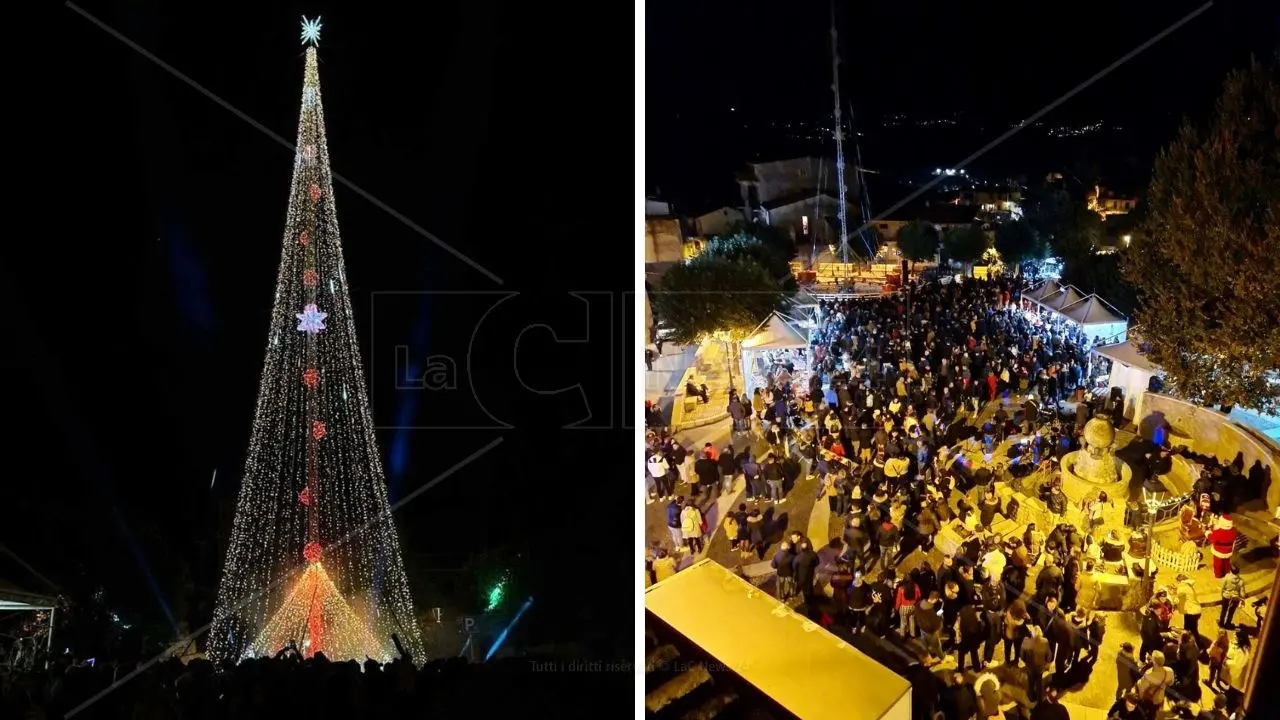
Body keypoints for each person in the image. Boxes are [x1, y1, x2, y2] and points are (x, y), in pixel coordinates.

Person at [1135, 650, 1174, 715]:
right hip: (1160, 699)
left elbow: (1142, 690)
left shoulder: (1149, 674)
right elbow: (1171, 683)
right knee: (1154, 714)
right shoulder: (1169, 670)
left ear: (1154, 662)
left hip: (1149, 700)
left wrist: (1138, 683)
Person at [1174, 572, 1202, 638]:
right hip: (1192, 610)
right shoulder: (1188, 586)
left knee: (1193, 630)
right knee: (1187, 628)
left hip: (1191, 612)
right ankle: (1186, 641)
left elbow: (1178, 594)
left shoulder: (1183, 587)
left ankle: (1200, 646)